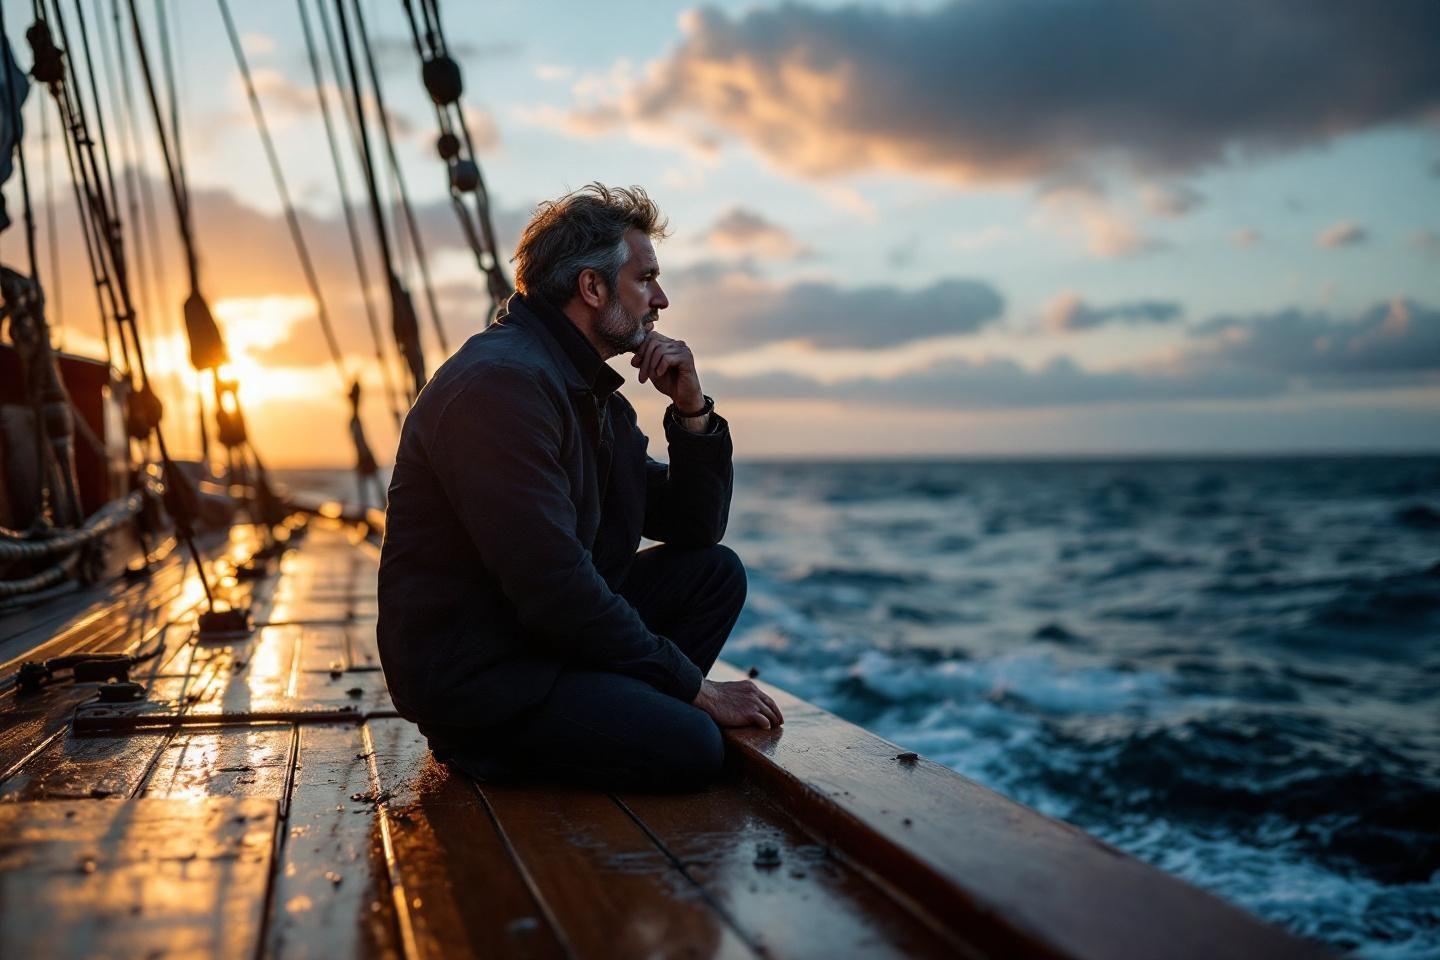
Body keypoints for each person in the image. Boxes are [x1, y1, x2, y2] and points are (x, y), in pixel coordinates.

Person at [377, 183, 782, 791]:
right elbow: (553, 586)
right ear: (592, 288)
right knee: (694, 745)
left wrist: (693, 411)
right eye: (645, 279)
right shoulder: (500, 386)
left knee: (714, 572)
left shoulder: (582, 388)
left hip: (542, 643)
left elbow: (693, 526)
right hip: (482, 676)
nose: (661, 299)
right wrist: (698, 690)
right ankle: (497, 749)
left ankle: (610, 712)